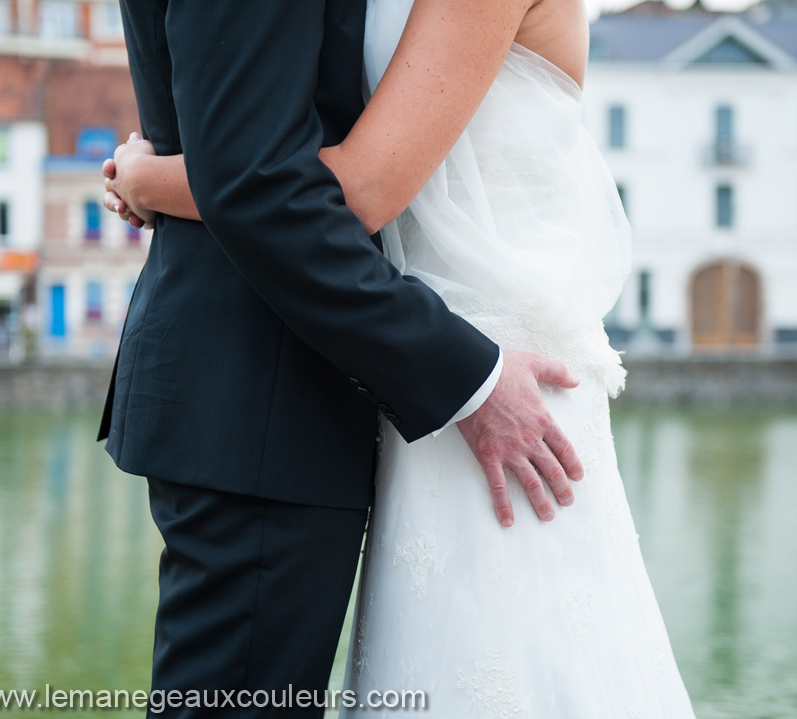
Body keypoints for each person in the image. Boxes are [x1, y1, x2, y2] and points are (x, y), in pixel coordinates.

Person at [105, 0, 698, 715]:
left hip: (488, 378)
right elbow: (261, 151)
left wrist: (152, 179)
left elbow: (354, 189)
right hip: (405, 379)